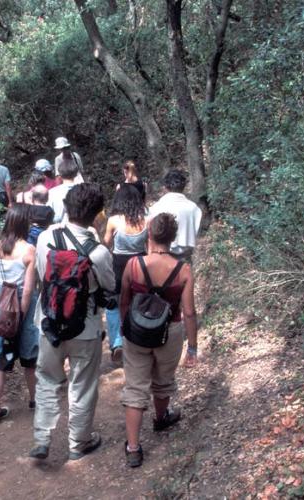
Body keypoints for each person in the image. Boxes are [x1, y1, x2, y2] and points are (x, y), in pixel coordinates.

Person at [29, 183, 115, 461]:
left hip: (49, 322)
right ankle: (78, 443)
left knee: (47, 380)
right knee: (82, 385)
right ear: (96, 215)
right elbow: (109, 285)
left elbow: (43, 275)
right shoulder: (99, 252)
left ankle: (42, 439)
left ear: (65, 206)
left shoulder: (44, 238)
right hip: (85, 327)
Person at [119, 213, 198, 468]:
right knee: (163, 380)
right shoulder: (183, 270)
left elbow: (124, 299)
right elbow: (189, 312)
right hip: (170, 331)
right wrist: (193, 348)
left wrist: (124, 327)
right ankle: (161, 417)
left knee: (135, 386)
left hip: (137, 332)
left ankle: (133, 448)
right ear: (173, 238)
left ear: (149, 234)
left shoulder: (133, 265)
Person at [0, 205, 39, 424]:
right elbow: (27, 289)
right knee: (30, 357)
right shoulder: (28, 250)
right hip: (23, 306)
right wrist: (21, 315)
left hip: (0, 304)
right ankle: (35, 401)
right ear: (25, 223)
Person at [103, 184, 148, 364]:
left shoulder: (113, 221)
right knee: (137, 303)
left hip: (118, 265)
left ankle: (117, 342)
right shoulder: (146, 220)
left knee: (113, 304)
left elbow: (106, 243)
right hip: (140, 264)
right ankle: (139, 340)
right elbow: (150, 247)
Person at [148, 170, 202, 262]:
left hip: (161, 258)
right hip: (185, 258)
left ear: (165, 187)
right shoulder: (194, 209)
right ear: (183, 187)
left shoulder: (156, 208)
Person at [47, 158, 80, 223]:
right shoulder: (84, 190)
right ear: (76, 174)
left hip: (59, 228)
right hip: (83, 227)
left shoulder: (52, 192)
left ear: (60, 175)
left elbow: (49, 214)